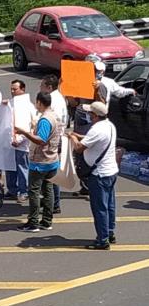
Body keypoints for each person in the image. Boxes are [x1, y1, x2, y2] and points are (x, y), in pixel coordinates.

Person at [68, 102, 118, 250]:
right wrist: (79, 135)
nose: (89, 115)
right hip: (111, 171)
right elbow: (92, 138)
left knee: (99, 207)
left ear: (95, 115)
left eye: (90, 113)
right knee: (109, 205)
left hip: (99, 174)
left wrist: (72, 137)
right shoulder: (109, 125)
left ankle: (102, 240)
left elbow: (78, 148)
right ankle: (109, 232)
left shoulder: (96, 129)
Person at [14, 92, 61, 232]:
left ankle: (33, 222)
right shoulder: (53, 116)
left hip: (41, 161)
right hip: (52, 160)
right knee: (48, 190)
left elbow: (41, 139)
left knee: (34, 191)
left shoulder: (45, 119)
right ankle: (47, 220)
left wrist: (25, 132)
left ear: (40, 102)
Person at [40, 75, 68, 213]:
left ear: (49, 87)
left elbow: (51, 121)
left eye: (42, 86)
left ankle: (53, 203)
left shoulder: (53, 100)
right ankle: (51, 201)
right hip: (58, 138)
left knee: (50, 173)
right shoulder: (60, 97)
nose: (40, 88)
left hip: (53, 140)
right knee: (51, 172)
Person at [6, 79, 35, 205]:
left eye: (15, 89)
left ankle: (24, 191)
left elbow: (30, 125)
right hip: (9, 143)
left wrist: (20, 139)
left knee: (22, 168)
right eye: (11, 89)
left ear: (22, 89)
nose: (12, 91)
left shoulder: (28, 106)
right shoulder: (10, 104)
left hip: (22, 144)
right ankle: (12, 189)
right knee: (9, 167)